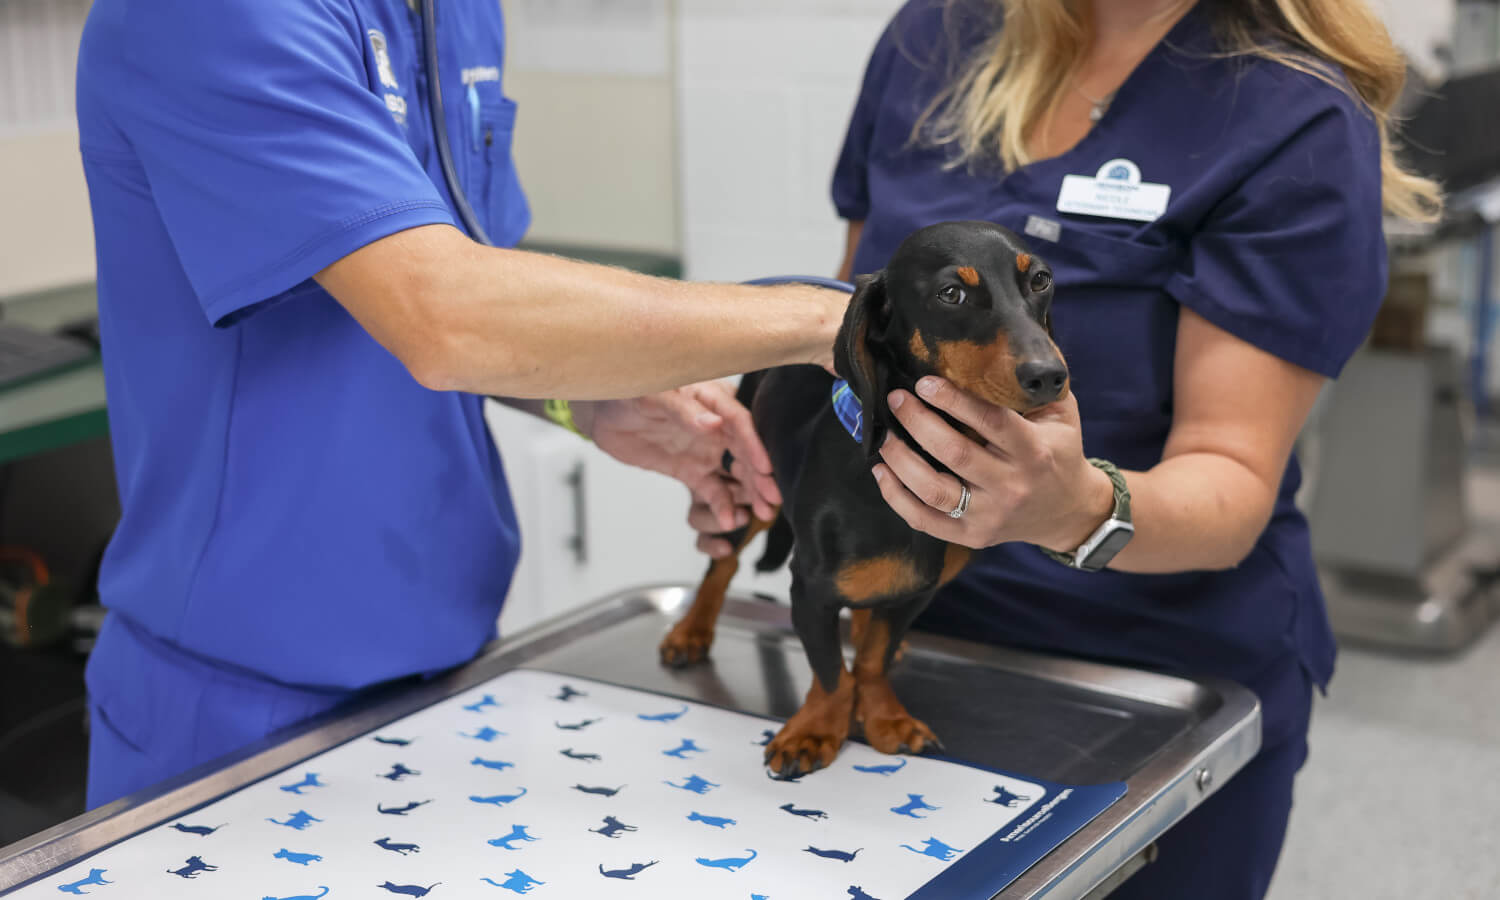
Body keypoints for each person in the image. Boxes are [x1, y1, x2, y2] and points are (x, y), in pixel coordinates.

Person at [688, 0, 1438, 896]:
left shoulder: (1292, 114)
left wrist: (1079, 510)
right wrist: (759, 443)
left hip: (1144, 667)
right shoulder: (935, 37)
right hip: (913, 641)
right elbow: (864, 333)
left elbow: (1232, 477)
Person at [74, 0, 845, 808]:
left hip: (449, 671)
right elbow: (442, 313)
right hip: (236, 709)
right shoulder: (214, 14)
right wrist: (831, 319)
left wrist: (579, 401)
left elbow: (445, 284)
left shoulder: (454, 13)